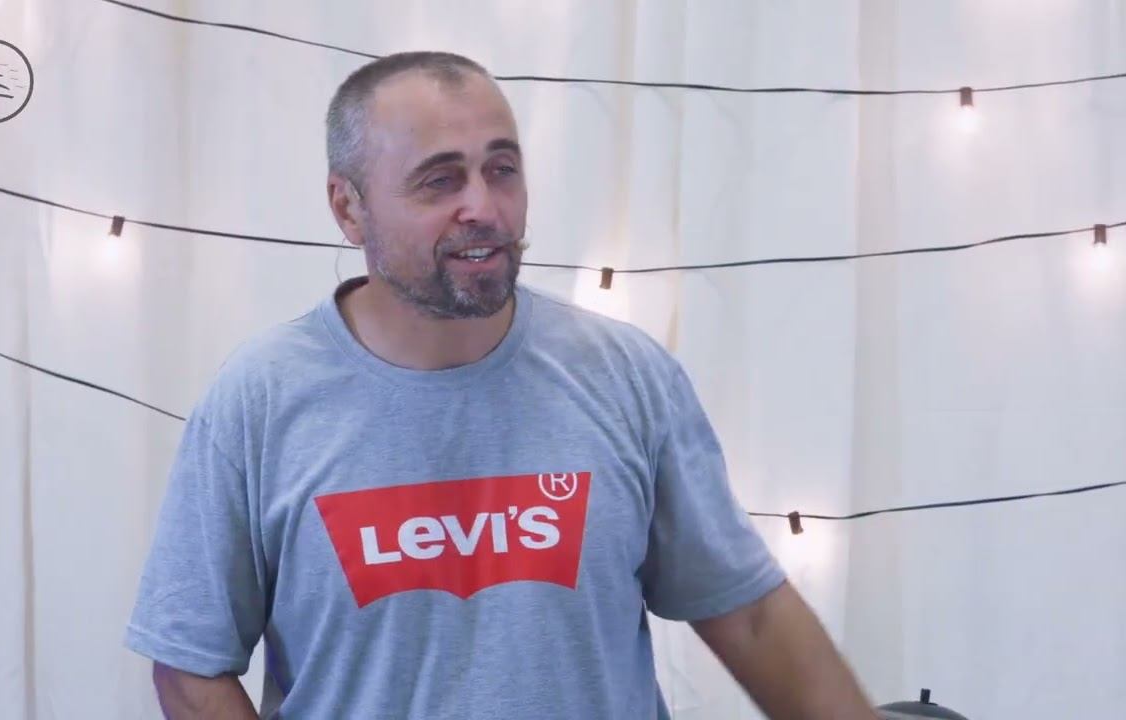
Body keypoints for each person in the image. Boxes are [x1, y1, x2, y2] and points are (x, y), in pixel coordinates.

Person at [125, 51, 880, 720]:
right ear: (348, 207)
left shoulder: (624, 376)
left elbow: (748, 617)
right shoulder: (259, 400)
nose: (483, 208)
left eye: (502, 169)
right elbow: (191, 669)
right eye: (439, 180)